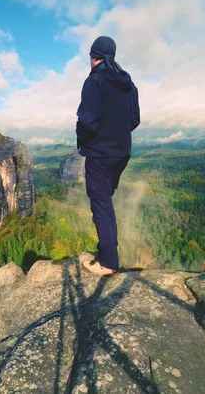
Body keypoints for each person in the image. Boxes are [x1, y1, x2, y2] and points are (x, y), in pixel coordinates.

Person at [76, 36, 140, 276]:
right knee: (106, 203)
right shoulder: (127, 82)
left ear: (94, 58)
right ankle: (108, 256)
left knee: (101, 206)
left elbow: (86, 120)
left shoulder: (95, 81)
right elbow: (134, 119)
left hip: (100, 155)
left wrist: (85, 141)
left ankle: (108, 263)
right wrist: (117, 135)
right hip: (122, 153)